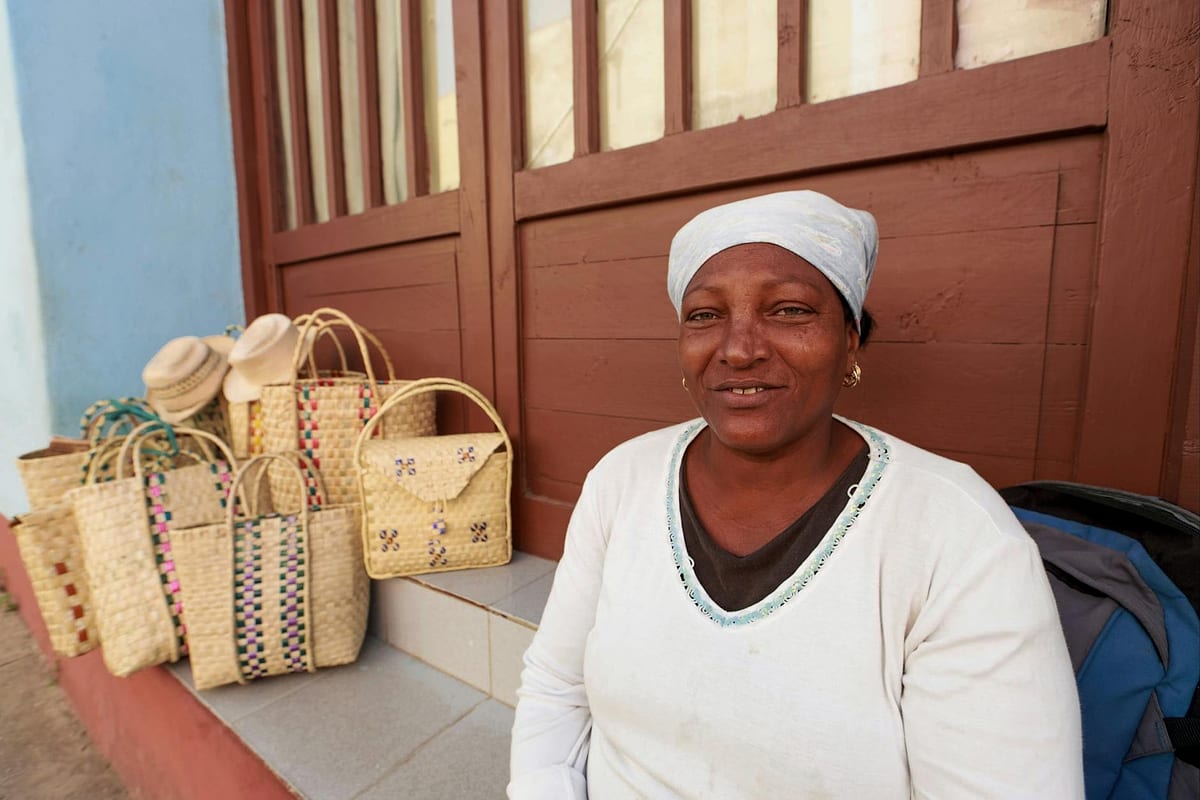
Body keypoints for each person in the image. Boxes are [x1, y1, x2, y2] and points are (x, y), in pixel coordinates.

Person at [508, 190, 1083, 798]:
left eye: (789, 310)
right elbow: (557, 686)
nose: (739, 349)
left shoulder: (957, 535)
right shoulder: (622, 479)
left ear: (850, 339)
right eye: (704, 316)